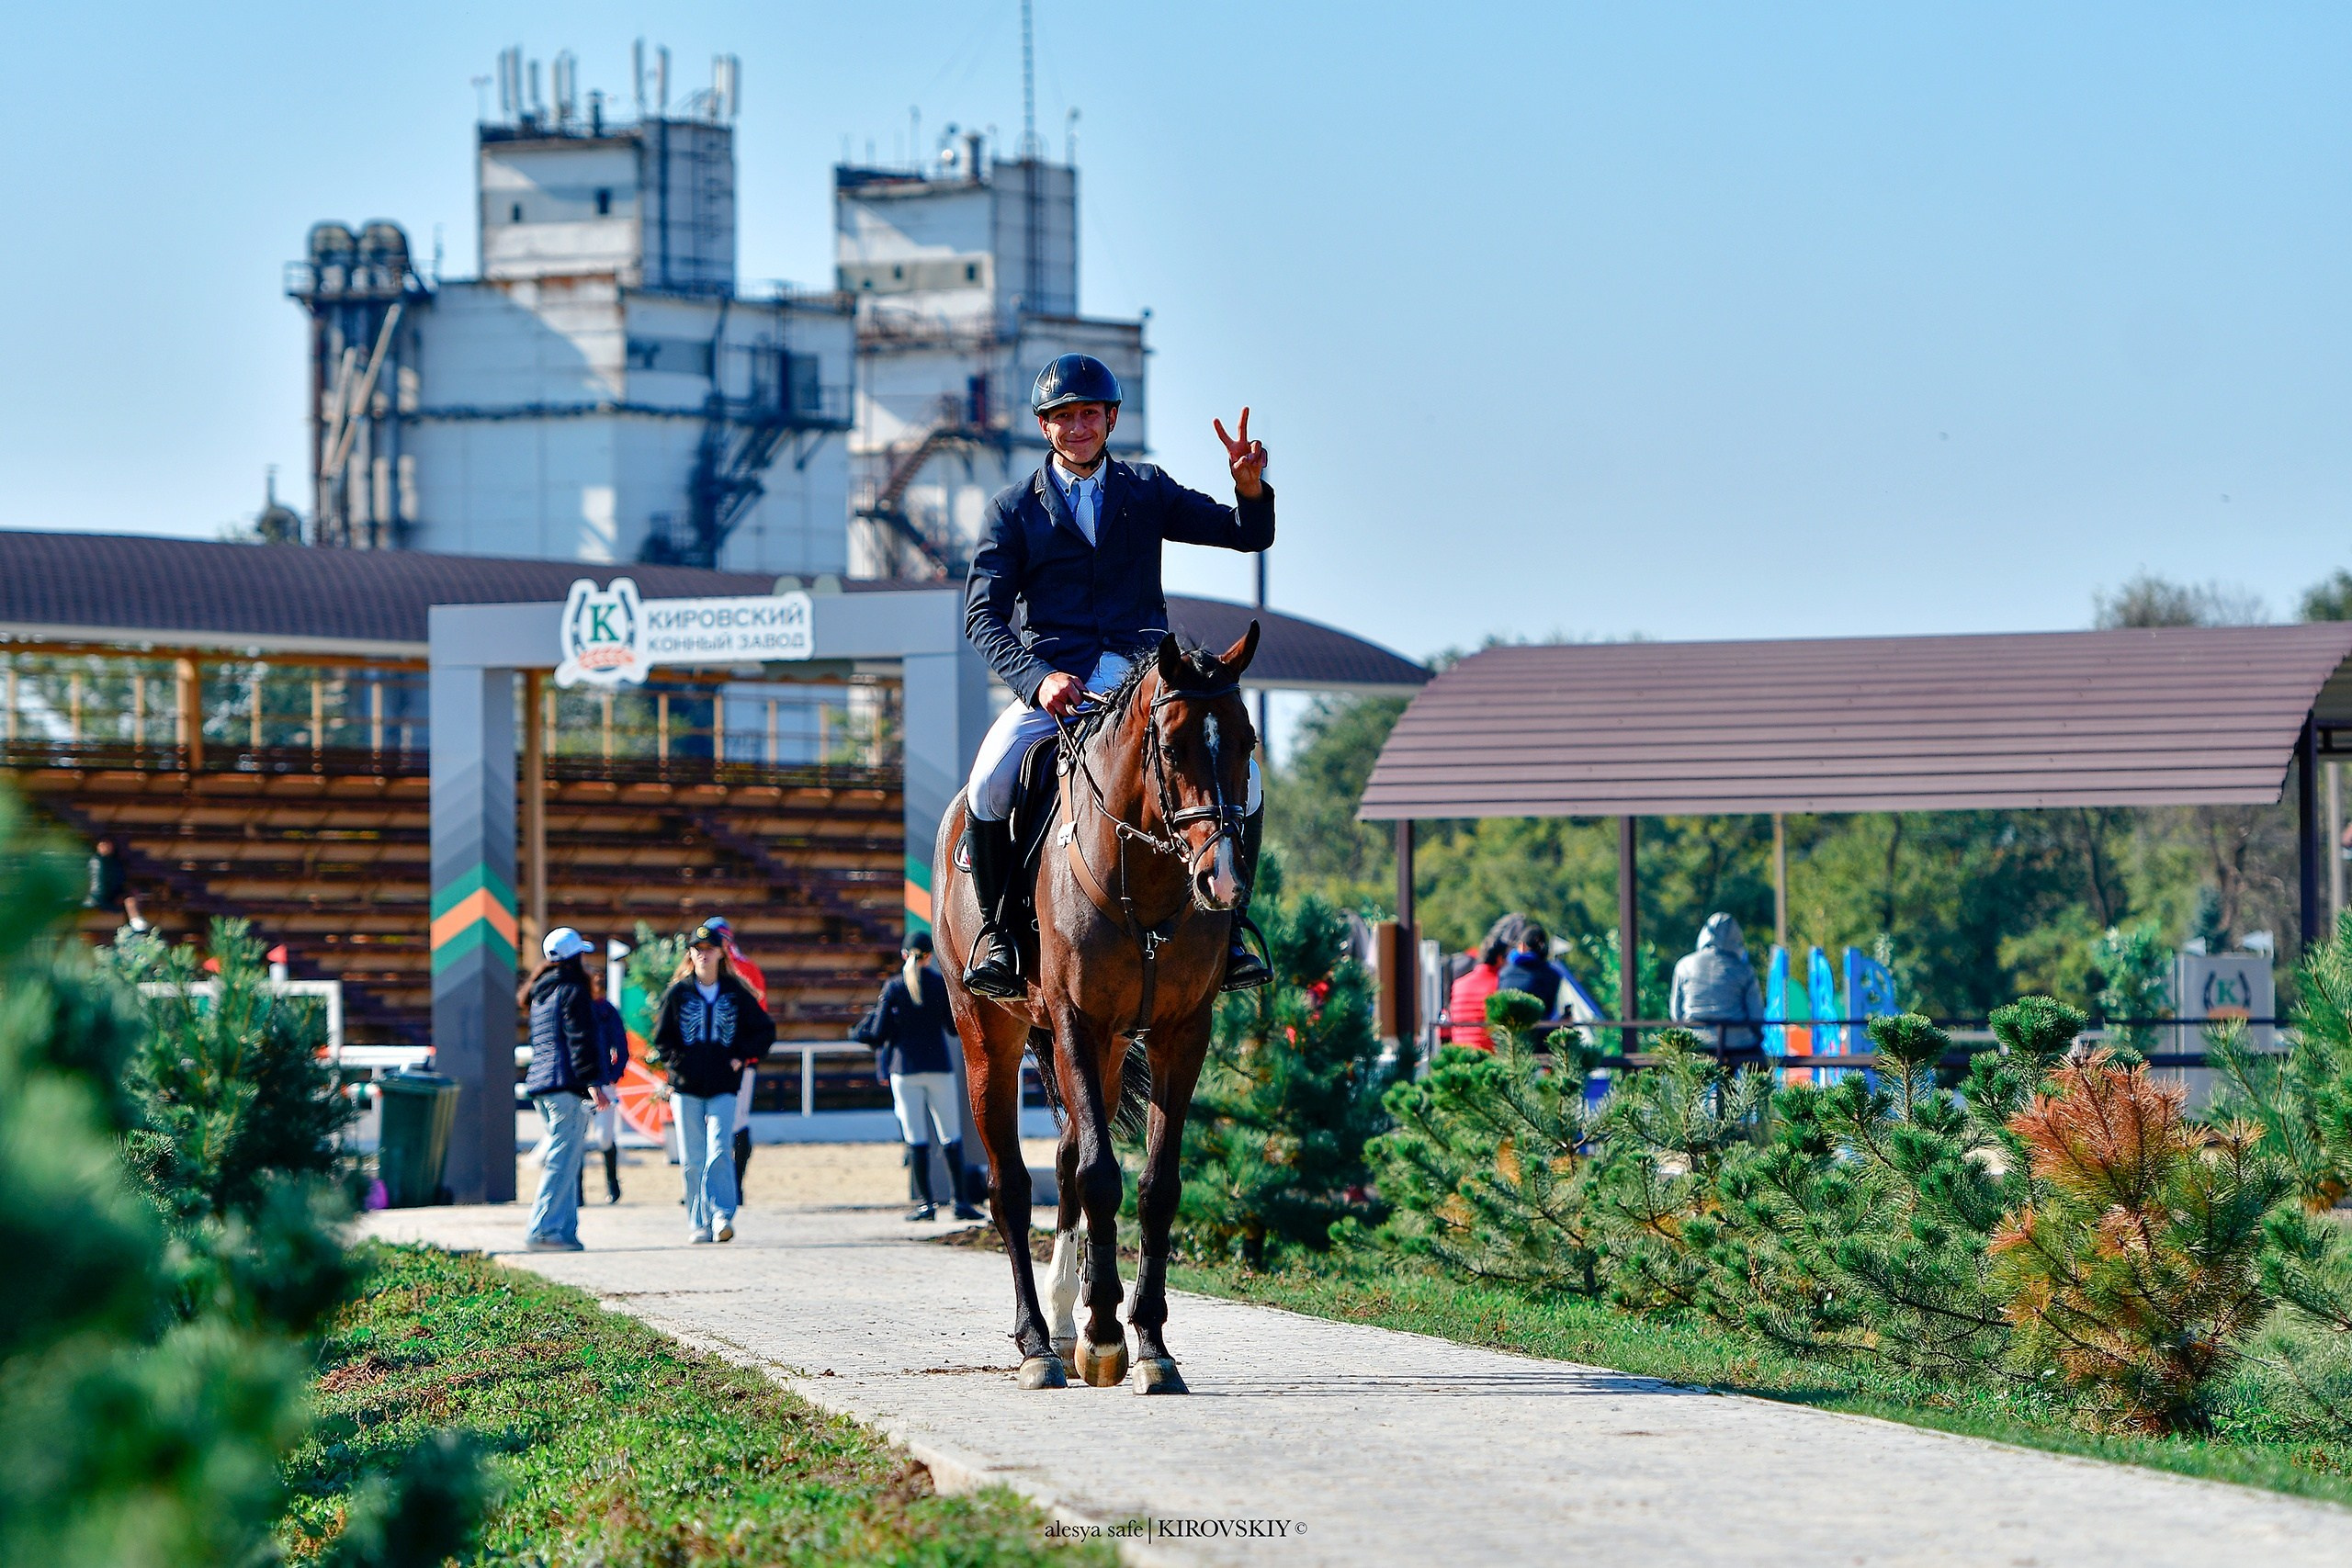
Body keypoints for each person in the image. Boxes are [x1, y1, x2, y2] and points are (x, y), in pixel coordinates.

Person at [958, 353, 1275, 998]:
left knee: (1252, 784)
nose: (1078, 427)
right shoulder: (1012, 510)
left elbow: (1247, 535)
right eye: (1064, 417)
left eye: (1090, 415)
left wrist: (1248, 487)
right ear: (1046, 426)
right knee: (989, 779)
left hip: (1144, 680)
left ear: (1110, 419)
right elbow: (981, 617)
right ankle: (997, 933)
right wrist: (1037, 678)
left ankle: (1233, 922)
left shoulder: (1148, 490)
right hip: (1059, 683)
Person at [650, 923, 775, 1243]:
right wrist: (678, 1064)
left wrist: (741, 1056)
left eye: (708, 949)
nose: (703, 955)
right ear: (690, 955)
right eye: (697, 950)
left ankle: (722, 1215)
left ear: (721, 952)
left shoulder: (736, 992)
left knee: (720, 1149)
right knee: (692, 1158)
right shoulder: (678, 994)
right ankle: (698, 1222)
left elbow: (764, 1030)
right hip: (686, 1087)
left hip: (723, 1085)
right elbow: (662, 1038)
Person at [854, 931, 983, 1223]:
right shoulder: (938, 984)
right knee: (951, 1135)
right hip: (938, 1067)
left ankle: (927, 1205)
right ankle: (960, 1202)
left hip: (904, 1070)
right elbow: (952, 1028)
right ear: (929, 957)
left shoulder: (894, 986)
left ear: (904, 955)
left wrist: (858, 1031)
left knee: (916, 1139)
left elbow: (877, 1034)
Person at [521, 927, 606, 1251]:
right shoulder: (573, 990)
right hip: (564, 1085)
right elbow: (580, 1041)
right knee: (561, 1160)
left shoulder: (541, 992)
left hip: (542, 1085)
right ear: (576, 957)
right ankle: (543, 1230)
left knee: (568, 1159)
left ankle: (565, 1232)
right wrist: (594, 1083)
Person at [699, 915, 770, 1191]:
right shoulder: (704, 972)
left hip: (739, 1060)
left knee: (735, 1122)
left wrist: (743, 1053)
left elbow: (758, 1019)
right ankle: (712, 1185)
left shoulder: (745, 970)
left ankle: (735, 1185)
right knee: (711, 1122)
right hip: (709, 1059)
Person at [1669, 912, 1767, 1064]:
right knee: (1760, 1066)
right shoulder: (1744, 969)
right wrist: (1758, 1036)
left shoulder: (1684, 965)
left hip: (1696, 1040)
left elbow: (1676, 1013)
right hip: (1739, 1043)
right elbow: (1756, 1015)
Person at [582, 959, 629, 1205]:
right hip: (581, 1082)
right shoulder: (580, 1009)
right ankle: (577, 1190)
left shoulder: (608, 1012)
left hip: (604, 1080)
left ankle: (612, 1183)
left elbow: (621, 1046)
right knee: (577, 1136)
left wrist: (613, 1074)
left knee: (604, 1137)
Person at [1440, 928, 1512, 1051]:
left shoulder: (1458, 984)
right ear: (1500, 959)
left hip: (1461, 1055)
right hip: (1490, 1057)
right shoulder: (1501, 984)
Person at [1496, 922, 1567, 1019]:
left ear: (1521, 946)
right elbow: (1549, 1012)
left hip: (1505, 1031)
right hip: (1536, 1031)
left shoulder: (1503, 973)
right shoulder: (1552, 976)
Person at [86, 837, 148, 932]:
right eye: (103, 845)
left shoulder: (115, 862)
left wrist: (121, 892)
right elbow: (98, 884)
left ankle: (135, 920)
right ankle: (134, 920)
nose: (105, 848)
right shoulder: (96, 862)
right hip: (101, 899)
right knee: (128, 899)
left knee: (130, 899)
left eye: (107, 845)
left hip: (114, 896)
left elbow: (119, 880)